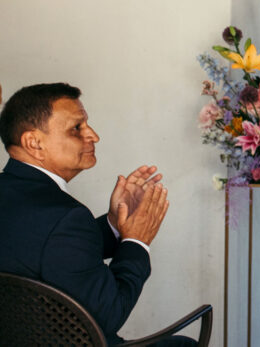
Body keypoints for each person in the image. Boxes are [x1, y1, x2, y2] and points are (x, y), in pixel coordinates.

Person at [0, 83, 173, 345]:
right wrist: (137, 242)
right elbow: (109, 315)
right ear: (34, 142)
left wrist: (115, 224)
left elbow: (51, 252)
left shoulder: (22, 200)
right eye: (76, 128)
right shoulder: (66, 217)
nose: (93, 136)